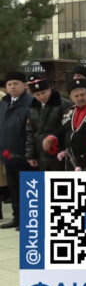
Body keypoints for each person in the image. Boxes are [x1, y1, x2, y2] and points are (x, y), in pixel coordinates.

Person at [0, 72, 34, 229]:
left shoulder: (30, 102)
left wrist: (30, 153)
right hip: (8, 153)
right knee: (13, 189)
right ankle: (17, 218)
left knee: (27, 189)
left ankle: (29, 219)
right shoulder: (5, 102)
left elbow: (32, 130)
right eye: (9, 84)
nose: (12, 87)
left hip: (24, 154)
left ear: (24, 85)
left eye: (16, 83)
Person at [25, 78, 72, 171]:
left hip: (59, 153)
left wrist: (53, 137)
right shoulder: (33, 108)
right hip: (41, 155)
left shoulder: (64, 105)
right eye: (37, 94)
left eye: (43, 93)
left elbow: (68, 128)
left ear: (50, 89)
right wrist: (30, 155)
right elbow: (30, 132)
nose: (41, 97)